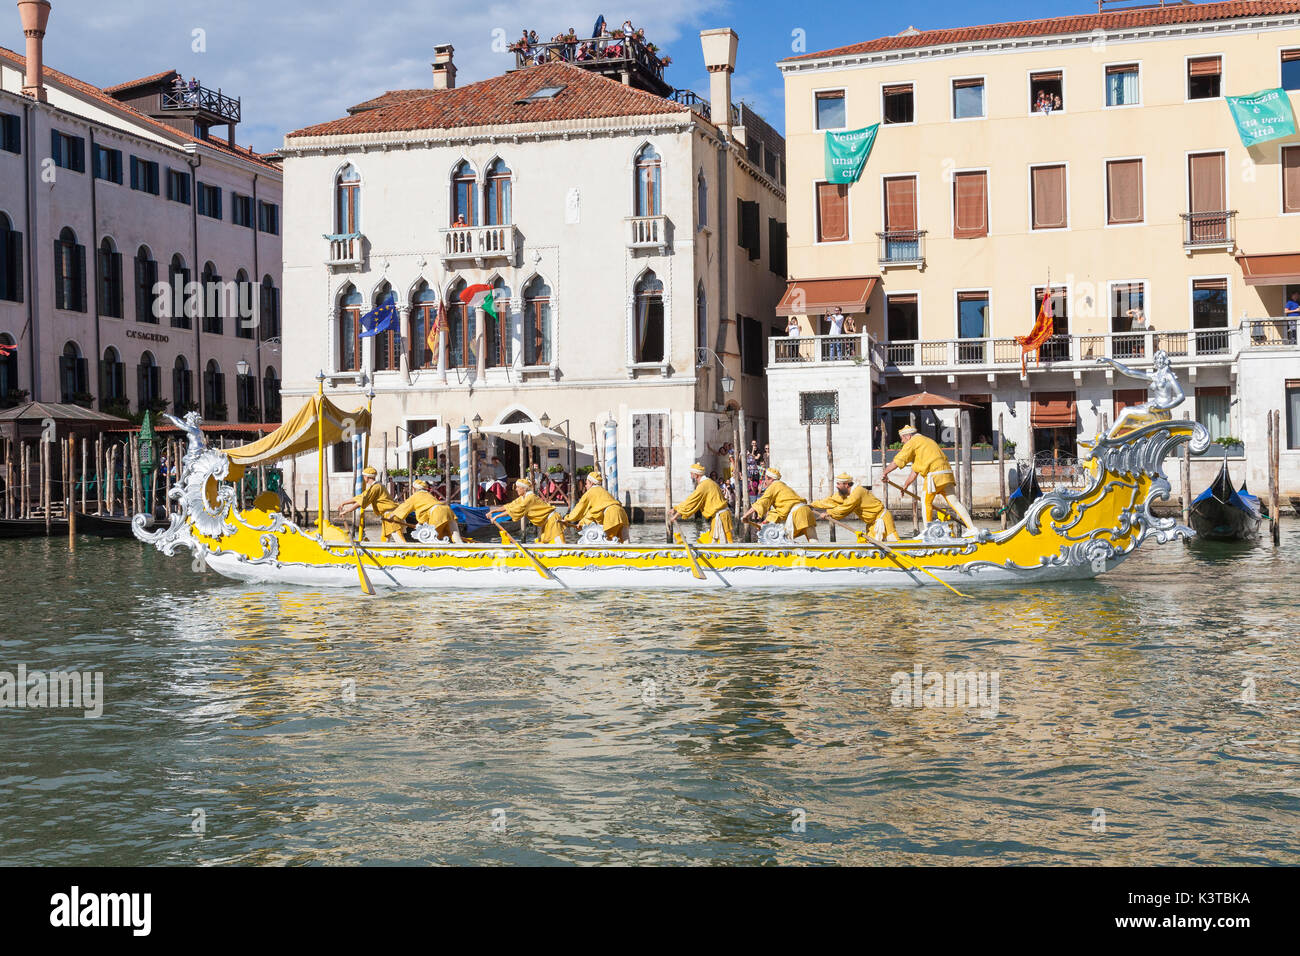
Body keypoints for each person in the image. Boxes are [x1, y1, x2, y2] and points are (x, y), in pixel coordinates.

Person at [878, 425, 977, 535]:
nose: (902, 441)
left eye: (902, 438)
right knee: (954, 501)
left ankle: (927, 533)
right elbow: (915, 471)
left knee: (926, 501)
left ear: (908, 436)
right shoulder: (926, 441)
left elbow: (899, 459)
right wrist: (906, 485)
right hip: (946, 473)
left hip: (934, 475)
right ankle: (972, 528)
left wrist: (885, 472)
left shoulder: (913, 441)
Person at [1096, 349, 1185, 438]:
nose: (1160, 361)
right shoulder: (1154, 376)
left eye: (1162, 358)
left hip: (1161, 412)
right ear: (1155, 361)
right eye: (1157, 359)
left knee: (1125, 411)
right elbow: (1128, 372)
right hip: (1152, 407)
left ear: (1166, 360)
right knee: (1127, 421)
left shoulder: (1169, 375)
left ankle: (1107, 439)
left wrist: (1162, 408)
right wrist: (1109, 361)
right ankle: (1106, 436)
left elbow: (1181, 396)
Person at [811, 472, 899, 542]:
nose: (836, 486)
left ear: (846, 484)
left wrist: (828, 513)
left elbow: (846, 507)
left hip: (882, 519)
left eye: (838, 484)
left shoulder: (857, 492)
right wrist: (812, 505)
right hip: (872, 523)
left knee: (893, 541)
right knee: (869, 544)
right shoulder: (845, 494)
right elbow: (830, 501)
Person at [743, 467, 817, 541]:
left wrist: (746, 515)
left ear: (770, 479)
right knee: (814, 542)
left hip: (797, 513)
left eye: (765, 479)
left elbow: (761, 502)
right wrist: (763, 524)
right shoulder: (783, 487)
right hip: (806, 511)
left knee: (785, 539)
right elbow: (776, 513)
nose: (765, 482)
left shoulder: (773, 486)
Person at [338, 466, 406, 541]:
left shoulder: (375, 488)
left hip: (391, 516)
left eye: (364, 477)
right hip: (388, 515)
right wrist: (344, 503)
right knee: (385, 538)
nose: (364, 478)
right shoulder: (375, 487)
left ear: (367, 478)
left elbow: (362, 501)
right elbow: (360, 497)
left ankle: (407, 551)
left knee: (398, 538)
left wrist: (347, 511)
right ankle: (382, 551)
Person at [672, 462, 735, 543]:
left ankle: (732, 553)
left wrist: (676, 514)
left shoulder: (703, 485)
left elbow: (691, 501)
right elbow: (693, 501)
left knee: (724, 539)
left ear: (696, 475)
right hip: (722, 514)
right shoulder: (709, 482)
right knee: (724, 538)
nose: (691, 476)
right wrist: (675, 509)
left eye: (691, 474)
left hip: (720, 516)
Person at [489, 478, 566, 544]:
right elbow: (510, 506)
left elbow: (515, 510)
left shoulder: (530, 498)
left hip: (552, 521)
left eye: (518, 487)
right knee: (545, 542)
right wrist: (493, 512)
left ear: (524, 489)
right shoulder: (523, 498)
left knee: (560, 545)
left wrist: (497, 516)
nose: (516, 489)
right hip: (546, 523)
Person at [563, 470, 629, 542]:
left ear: (591, 483)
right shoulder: (603, 491)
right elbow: (593, 513)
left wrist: (567, 518)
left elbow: (579, 508)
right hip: (622, 513)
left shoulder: (590, 492)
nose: (585, 486)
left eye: (586, 483)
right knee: (625, 541)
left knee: (608, 541)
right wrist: (582, 523)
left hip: (612, 516)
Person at [390, 479, 464, 542]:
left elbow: (403, 507)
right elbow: (426, 512)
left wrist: (392, 514)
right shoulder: (429, 495)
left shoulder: (415, 496)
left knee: (430, 539)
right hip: (448, 510)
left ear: (413, 489)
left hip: (437, 513)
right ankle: (461, 547)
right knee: (456, 537)